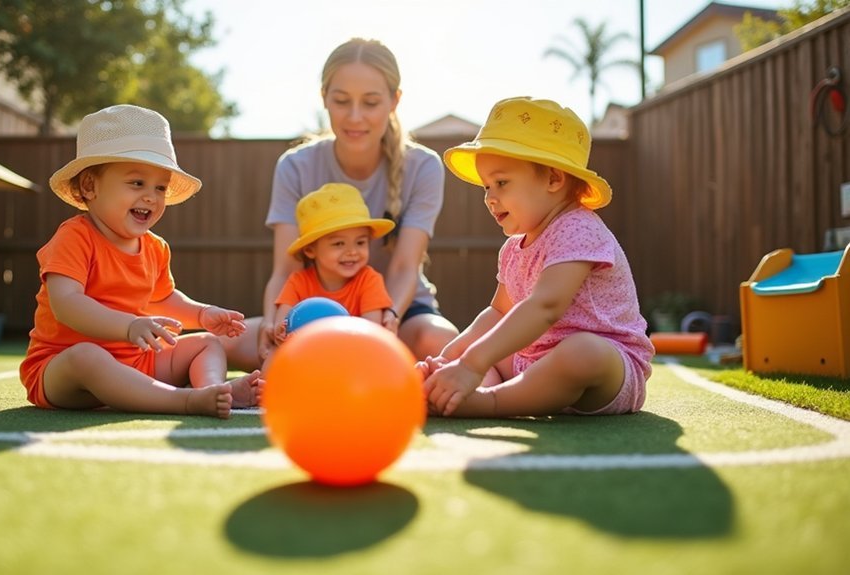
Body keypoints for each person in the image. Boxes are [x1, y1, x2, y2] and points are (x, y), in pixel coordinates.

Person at [222, 37, 459, 371]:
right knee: (216, 342)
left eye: (371, 102)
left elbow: (405, 267)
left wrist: (384, 321)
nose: (355, 116)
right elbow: (286, 268)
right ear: (324, 99)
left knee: (446, 346)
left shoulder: (423, 166)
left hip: (398, 315)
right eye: (342, 101)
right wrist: (273, 323)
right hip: (311, 313)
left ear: (394, 101)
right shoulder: (295, 166)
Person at [19, 104, 263, 418]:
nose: (151, 196)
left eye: (160, 187)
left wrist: (202, 315)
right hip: (62, 370)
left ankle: (213, 390)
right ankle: (183, 401)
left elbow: (162, 299)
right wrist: (129, 326)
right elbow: (67, 304)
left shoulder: (155, 247)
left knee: (207, 343)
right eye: (137, 183)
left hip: (135, 362)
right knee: (87, 357)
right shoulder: (75, 237)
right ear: (89, 186)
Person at [420, 97, 654, 418]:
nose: (490, 197)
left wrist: (473, 363)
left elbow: (546, 306)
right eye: (486, 186)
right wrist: (452, 359)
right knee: (487, 350)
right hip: (532, 361)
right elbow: (497, 312)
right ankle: (453, 389)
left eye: (501, 183)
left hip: (606, 370)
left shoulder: (578, 227)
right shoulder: (514, 248)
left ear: (554, 179)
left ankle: (490, 402)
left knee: (581, 352)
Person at [273, 182, 395, 343]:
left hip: (352, 352)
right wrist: (281, 334)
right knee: (274, 354)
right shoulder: (298, 282)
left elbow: (372, 333)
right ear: (310, 250)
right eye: (338, 244)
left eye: (360, 243)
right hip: (306, 351)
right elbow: (282, 324)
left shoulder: (370, 281)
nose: (352, 251)